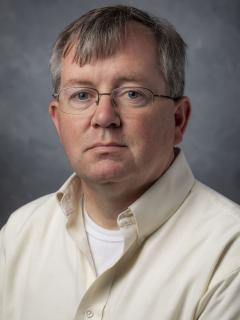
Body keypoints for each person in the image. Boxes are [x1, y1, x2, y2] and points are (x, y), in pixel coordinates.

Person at [0, 5, 240, 320]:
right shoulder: (19, 234)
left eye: (132, 94)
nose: (104, 117)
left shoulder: (230, 252)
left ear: (178, 120)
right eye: (82, 95)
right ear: (58, 122)